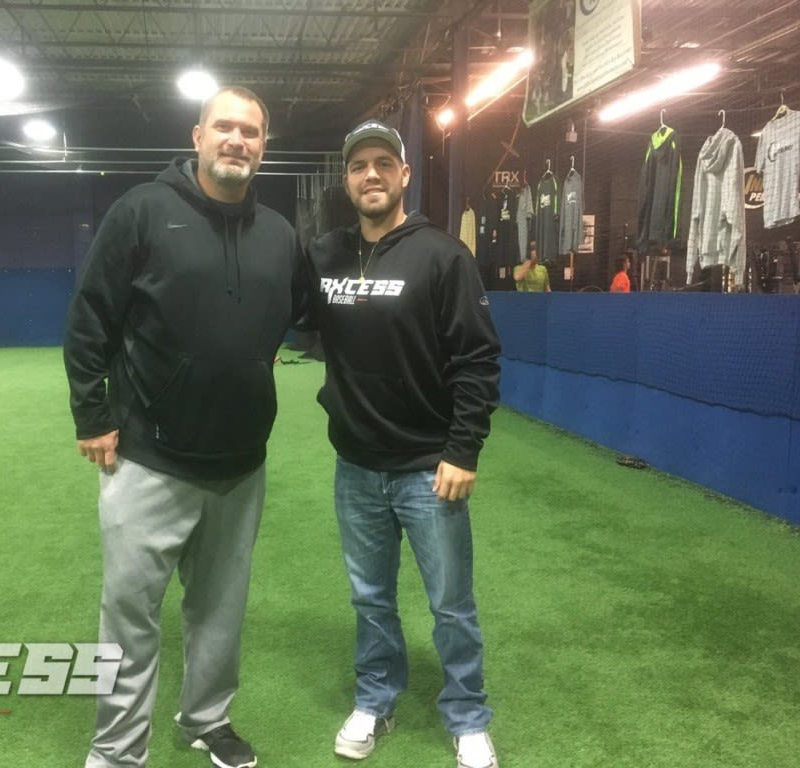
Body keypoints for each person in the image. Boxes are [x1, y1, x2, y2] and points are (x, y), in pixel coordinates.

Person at [63, 85, 304, 768]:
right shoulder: (142, 211)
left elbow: (299, 314)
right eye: (224, 127)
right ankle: (117, 749)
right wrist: (93, 415)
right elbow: (89, 318)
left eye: (251, 131)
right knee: (130, 614)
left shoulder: (280, 235)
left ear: (264, 147)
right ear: (197, 136)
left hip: (240, 466)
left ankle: (206, 720)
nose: (237, 140)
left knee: (220, 609)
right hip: (148, 458)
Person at [305, 120, 502, 768]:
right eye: (359, 165)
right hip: (357, 466)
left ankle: (467, 717)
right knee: (370, 597)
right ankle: (376, 698)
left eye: (383, 164)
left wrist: (463, 450)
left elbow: (477, 359)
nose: (371, 175)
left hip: (428, 468)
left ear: (404, 174)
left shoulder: (443, 256)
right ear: (347, 179)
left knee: (451, 604)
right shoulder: (327, 257)